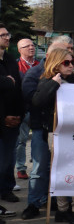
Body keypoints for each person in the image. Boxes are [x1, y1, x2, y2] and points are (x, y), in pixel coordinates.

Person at [25, 49, 74, 224]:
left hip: (73, 132)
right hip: (54, 132)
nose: (71, 66)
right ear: (57, 63)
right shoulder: (47, 80)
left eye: (72, 62)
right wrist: (53, 84)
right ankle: (62, 208)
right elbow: (37, 101)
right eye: (66, 63)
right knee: (57, 170)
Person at [0, 24, 23, 204]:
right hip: (1, 119)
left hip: (13, 119)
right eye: (3, 35)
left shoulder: (10, 59)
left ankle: (6, 189)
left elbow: (17, 89)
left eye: (8, 34)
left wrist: (18, 115)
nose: (7, 38)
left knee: (8, 160)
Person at [15, 38, 37, 181]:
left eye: (32, 45)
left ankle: (36, 166)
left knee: (39, 139)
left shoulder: (40, 64)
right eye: (27, 46)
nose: (31, 47)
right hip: (23, 109)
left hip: (38, 108)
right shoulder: (16, 65)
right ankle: (21, 168)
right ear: (20, 50)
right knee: (21, 140)